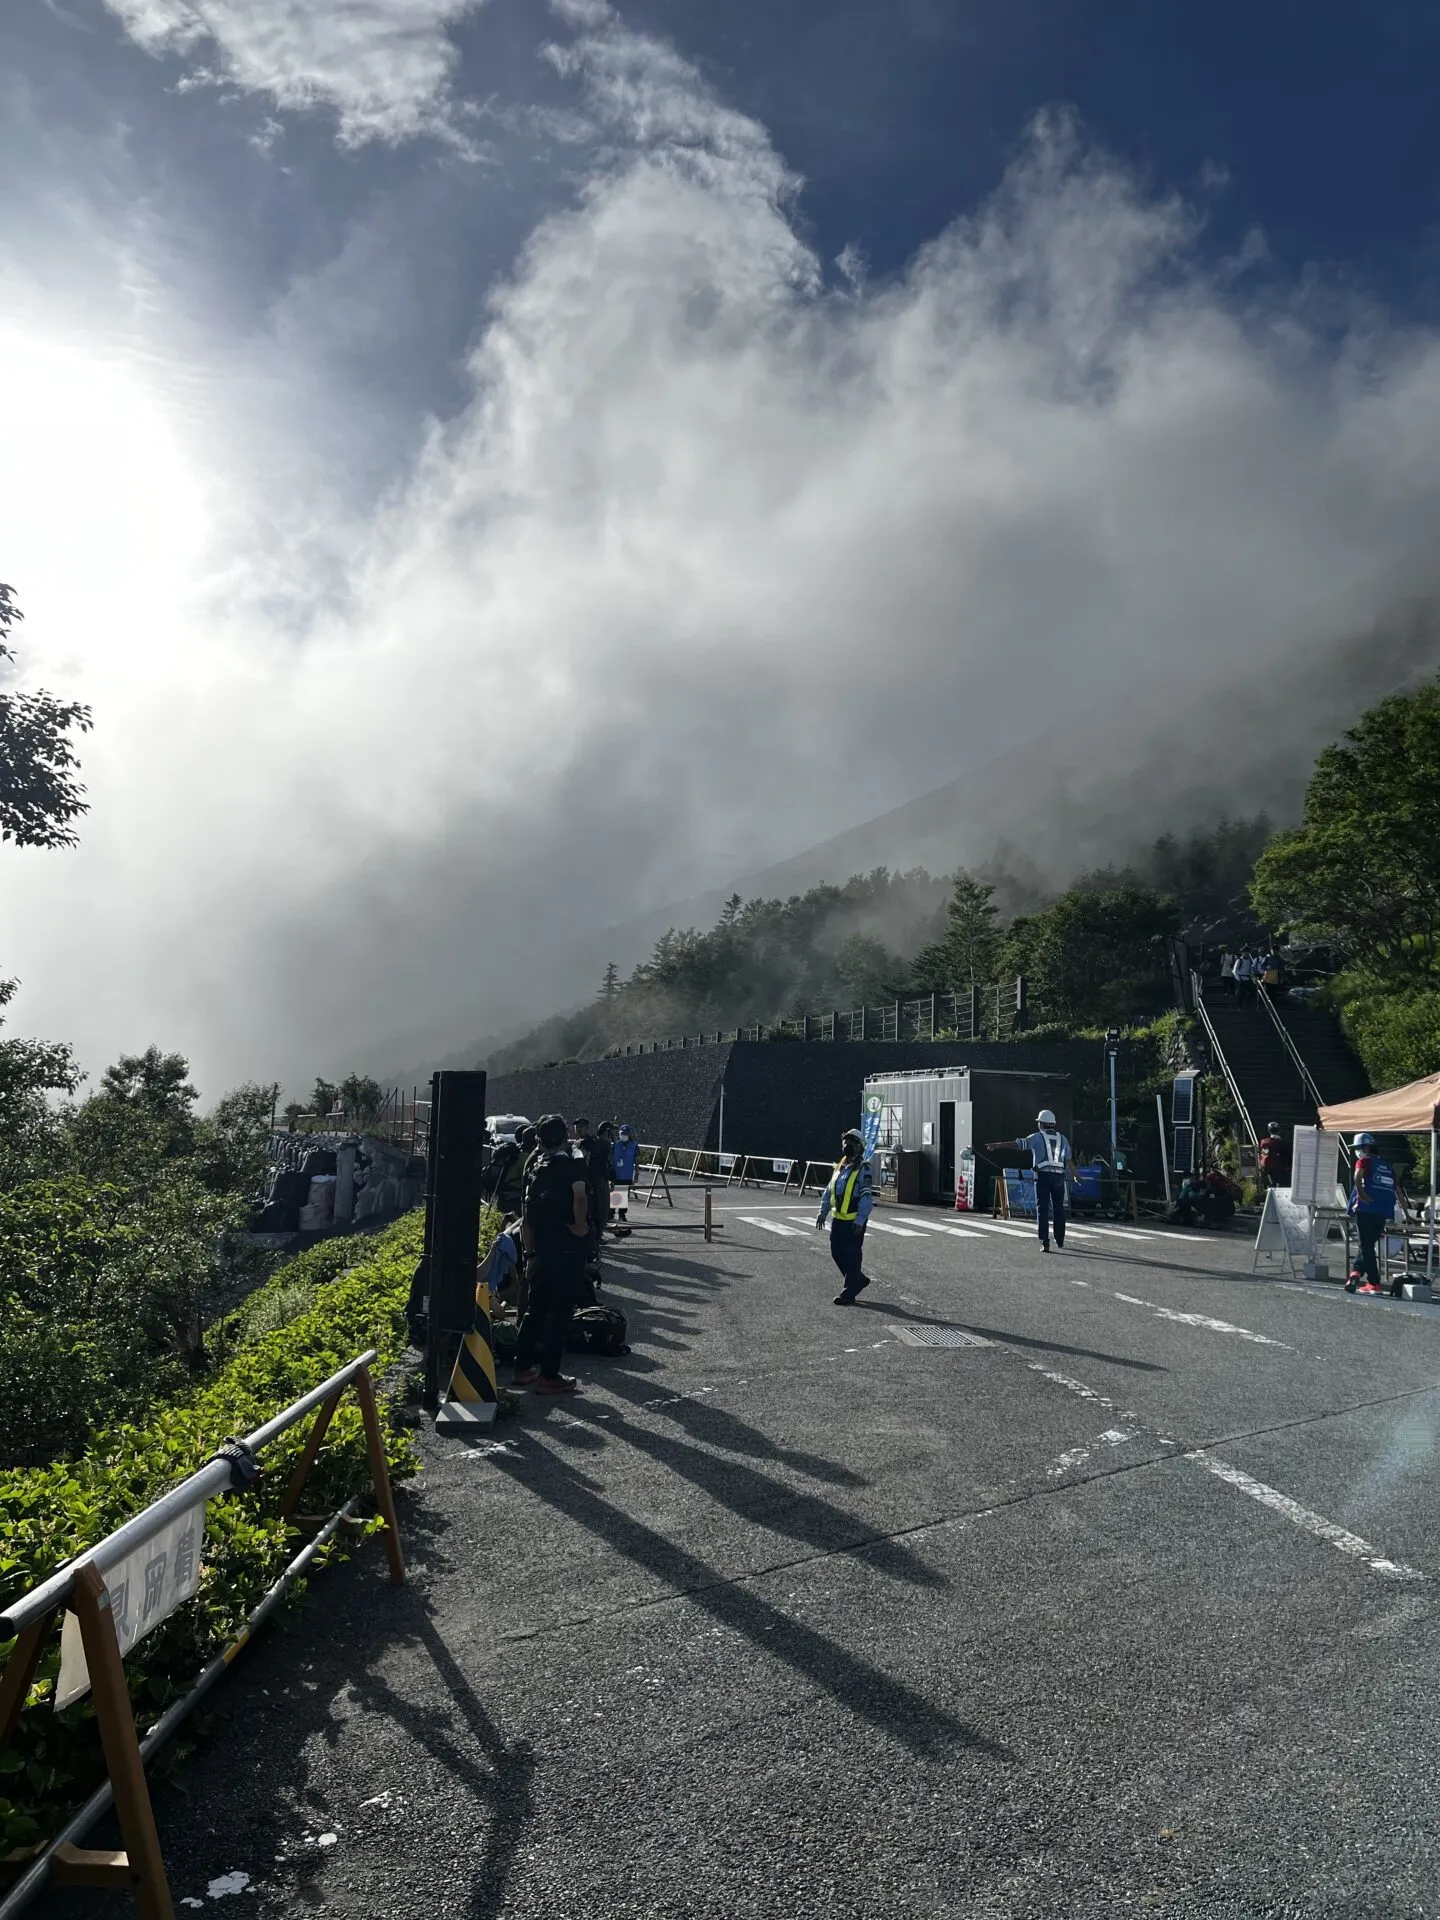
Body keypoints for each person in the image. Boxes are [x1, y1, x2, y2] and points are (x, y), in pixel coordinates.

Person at [512, 1114, 590, 1393]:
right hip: (567, 1246)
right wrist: (580, 1227)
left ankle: (522, 1368)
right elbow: (580, 1196)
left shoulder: (535, 1166)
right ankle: (549, 1374)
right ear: (566, 1136)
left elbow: (526, 1215)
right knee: (560, 1312)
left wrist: (530, 1252)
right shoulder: (572, 1164)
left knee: (535, 1309)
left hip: (540, 1248)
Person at [987, 1109, 1076, 1252]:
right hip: (1059, 1177)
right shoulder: (1062, 1139)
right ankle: (1060, 1240)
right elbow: (1068, 1159)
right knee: (1059, 1209)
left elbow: (1018, 1144)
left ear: (1041, 1124)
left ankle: (1044, 1242)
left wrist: (998, 1145)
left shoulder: (1037, 1137)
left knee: (1042, 1209)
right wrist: (1076, 1174)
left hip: (1042, 1176)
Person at [814, 1128, 875, 1304]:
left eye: (852, 1143)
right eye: (845, 1142)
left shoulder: (863, 1169)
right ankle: (859, 1280)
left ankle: (849, 1293)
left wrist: (860, 1220)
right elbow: (829, 1191)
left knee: (853, 1255)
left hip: (854, 1221)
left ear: (860, 1148)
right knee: (836, 1253)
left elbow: (866, 1196)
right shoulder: (840, 1167)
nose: (847, 1146)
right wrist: (822, 1212)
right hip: (838, 1219)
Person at [1345, 1131, 1398, 1296]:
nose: (1357, 1151)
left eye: (1358, 1148)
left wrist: (1361, 1193)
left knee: (1366, 1246)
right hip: (1383, 1211)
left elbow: (1357, 1177)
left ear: (1366, 1147)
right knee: (1367, 1245)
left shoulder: (1364, 1161)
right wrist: (1406, 1210)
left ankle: (1374, 1282)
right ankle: (1356, 1273)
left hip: (1366, 1209)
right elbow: (1397, 1188)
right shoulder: (1387, 1164)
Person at [571, 1116, 611, 1265]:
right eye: (576, 1126)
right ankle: (596, 1238)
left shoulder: (584, 1144)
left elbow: (583, 1165)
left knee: (594, 1210)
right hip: (596, 1181)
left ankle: (594, 1239)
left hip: (591, 1182)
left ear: (587, 1127)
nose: (578, 1128)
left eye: (581, 1126)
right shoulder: (594, 1142)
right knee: (598, 1210)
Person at [610, 1122, 640, 1234]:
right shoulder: (615, 1145)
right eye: (622, 1134)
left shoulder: (634, 1146)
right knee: (615, 1193)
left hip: (626, 1173)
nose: (623, 1136)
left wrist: (637, 1173)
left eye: (625, 1134)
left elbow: (636, 1161)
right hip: (616, 1173)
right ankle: (611, 1213)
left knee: (623, 1193)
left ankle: (622, 1214)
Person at [1258, 1122, 1290, 1191]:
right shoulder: (1283, 1142)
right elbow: (1287, 1156)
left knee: (1271, 1186)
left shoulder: (1264, 1142)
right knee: (1283, 1188)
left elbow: (1261, 1153)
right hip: (1281, 1169)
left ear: (1269, 1131)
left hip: (1268, 1168)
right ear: (1279, 1130)